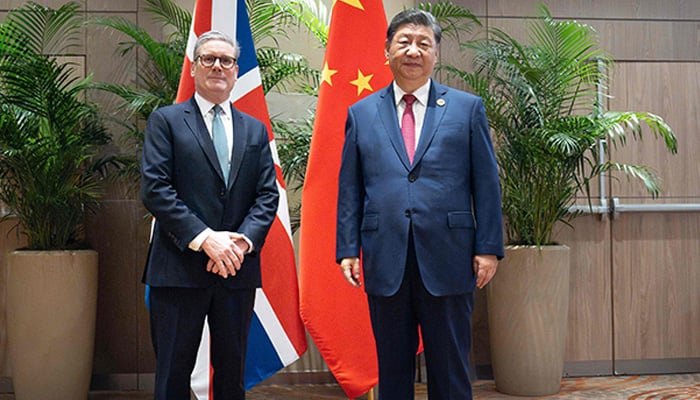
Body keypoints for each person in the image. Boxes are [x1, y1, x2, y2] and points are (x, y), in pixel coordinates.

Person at [336, 9, 504, 400]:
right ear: (387, 50)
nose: (413, 50)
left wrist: (488, 248)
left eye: (423, 43)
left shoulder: (466, 108)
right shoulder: (361, 114)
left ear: (436, 53)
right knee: (392, 369)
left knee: (450, 367)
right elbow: (351, 188)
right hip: (385, 257)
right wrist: (347, 247)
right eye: (404, 42)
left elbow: (486, 184)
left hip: (450, 256)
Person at [141, 30, 279, 400]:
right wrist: (207, 240)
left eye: (227, 60)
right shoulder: (166, 121)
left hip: (235, 269)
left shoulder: (255, 129)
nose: (218, 66)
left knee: (233, 376)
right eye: (209, 59)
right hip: (178, 269)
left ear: (236, 71)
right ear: (194, 67)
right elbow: (156, 190)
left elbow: (267, 195)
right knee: (172, 375)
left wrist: (240, 242)